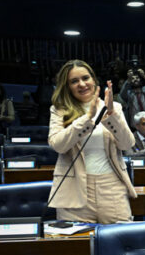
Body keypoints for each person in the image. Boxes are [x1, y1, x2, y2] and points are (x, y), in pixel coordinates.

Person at [47, 59, 137, 223]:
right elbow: (58, 145)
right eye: (74, 81)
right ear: (67, 86)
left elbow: (127, 144)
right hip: (73, 188)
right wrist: (87, 118)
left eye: (85, 78)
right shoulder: (59, 110)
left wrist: (111, 116)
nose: (82, 84)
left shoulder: (114, 107)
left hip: (111, 186)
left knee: (119, 236)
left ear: (94, 80)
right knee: (76, 239)